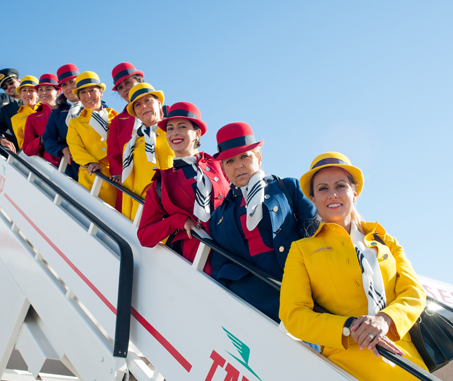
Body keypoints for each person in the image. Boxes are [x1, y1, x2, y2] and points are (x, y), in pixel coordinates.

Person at [279, 152, 453, 381]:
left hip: (407, 365)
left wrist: (385, 320)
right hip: (349, 368)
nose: (332, 194)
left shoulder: (385, 240)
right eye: (322, 189)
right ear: (313, 198)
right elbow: (293, 315)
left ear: (355, 192)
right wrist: (350, 327)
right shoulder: (303, 250)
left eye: (340, 186)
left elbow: (414, 293)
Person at [209, 122, 317, 323]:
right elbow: (219, 266)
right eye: (230, 161)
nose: (238, 165)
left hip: (296, 288)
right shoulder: (218, 217)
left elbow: (315, 233)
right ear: (223, 169)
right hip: (250, 300)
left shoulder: (287, 188)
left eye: (244, 156)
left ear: (258, 158)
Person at [138, 102, 229, 274]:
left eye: (182, 127)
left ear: (197, 133)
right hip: (195, 259)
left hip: (232, 248)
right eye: (170, 128)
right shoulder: (161, 184)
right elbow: (144, 236)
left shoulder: (219, 165)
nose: (175, 133)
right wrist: (177, 221)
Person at [120, 83, 174, 220]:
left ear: (159, 103)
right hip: (143, 211)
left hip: (174, 205)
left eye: (147, 100)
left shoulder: (175, 132)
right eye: (137, 105)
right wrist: (127, 217)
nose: (143, 106)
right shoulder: (130, 145)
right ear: (136, 113)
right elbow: (128, 185)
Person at [66, 71, 118, 207]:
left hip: (117, 177)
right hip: (91, 175)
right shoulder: (75, 123)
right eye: (82, 92)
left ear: (101, 92)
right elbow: (75, 147)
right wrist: (90, 162)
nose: (88, 96)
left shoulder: (116, 117)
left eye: (92, 90)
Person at [42, 64, 83, 181]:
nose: (69, 87)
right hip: (73, 166)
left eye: (72, 82)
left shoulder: (97, 106)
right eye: (64, 85)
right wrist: (62, 149)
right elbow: (48, 139)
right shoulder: (57, 114)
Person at [106, 62, 145, 181]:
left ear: (140, 82)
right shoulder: (117, 121)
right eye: (120, 88)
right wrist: (118, 173)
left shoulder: (163, 111)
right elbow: (114, 152)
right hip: (131, 176)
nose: (125, 89)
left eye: (128, 82)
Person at [22, 74, 61, 167]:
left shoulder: (68, 110)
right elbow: (27, 149)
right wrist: (42, 139)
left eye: (48, 89)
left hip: (75, 163)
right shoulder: (33, 118)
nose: (43, 93)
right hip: (51, 167)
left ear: (58, 92)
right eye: (40, 89)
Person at [0, 68, 21, 149]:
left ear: (19, 81)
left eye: (11, 82)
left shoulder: (37, 97)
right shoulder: (6, 111)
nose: (9, 87)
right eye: (4, 86)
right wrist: (0, 139)